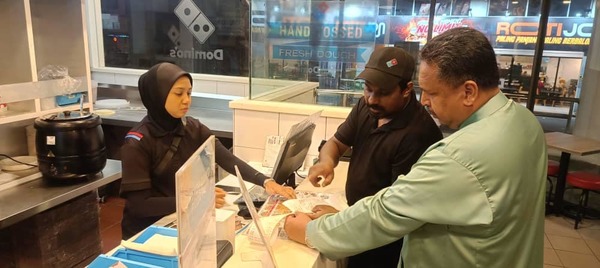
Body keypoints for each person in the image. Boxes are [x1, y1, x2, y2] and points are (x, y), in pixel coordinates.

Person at [285, 27, 546, 268]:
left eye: (432, 93)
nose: (427, 103)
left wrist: (312, 232)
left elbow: (387, 212)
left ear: (468, 92)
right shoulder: (524, 122)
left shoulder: (458, 155)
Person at [120, 62, 295, 239]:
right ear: (157, 95)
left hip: (180, 221)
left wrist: (266, 182)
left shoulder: (191, 127)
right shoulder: (137, 143)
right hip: (146, 233)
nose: (186, 100)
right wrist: (196, 201)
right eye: (179, 93)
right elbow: (139, 205)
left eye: (189, 93)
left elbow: (227, 159)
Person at [307, 47, 442, 268]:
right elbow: (336, 142)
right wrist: (326, 162)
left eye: (383, 93)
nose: (372, 99)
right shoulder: (367, 107)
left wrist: (339, 219)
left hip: (384, 244)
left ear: (406, 89)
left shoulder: (418, 134)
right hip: (357, 225)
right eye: (367, 89)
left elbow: (394, 213)